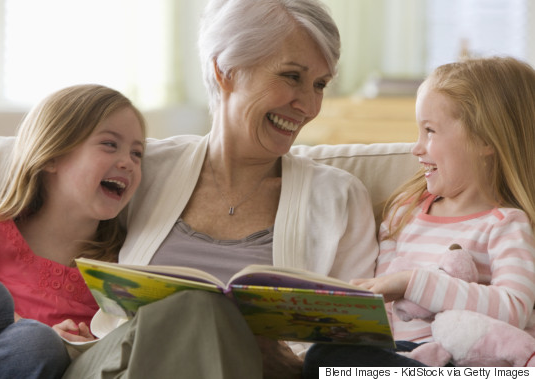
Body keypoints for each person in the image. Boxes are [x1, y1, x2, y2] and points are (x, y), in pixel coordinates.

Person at [64, 0, 379, 378]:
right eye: (292, 76)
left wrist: (291, 363)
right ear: (225, 70)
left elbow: (357, 348)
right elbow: (52, 247)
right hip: (118, 365)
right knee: (200, 308)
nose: (309, 106)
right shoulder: (141, 167)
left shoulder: (339, 197)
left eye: (320, 85)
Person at [302, 56, 535, 373]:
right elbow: (382, 314)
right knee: (324, 357)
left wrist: (413, 283)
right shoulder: (404, 212)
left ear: (485, 140)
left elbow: (514, 308)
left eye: (430, 131)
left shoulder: (506, 224)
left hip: (470, 363)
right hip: (404, 360)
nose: (416, 148)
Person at [0, 84, 145, 378]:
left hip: (21, 362)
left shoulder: (115, 270)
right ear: (51, 156)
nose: (128, 162)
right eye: (110, 144)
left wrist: (76, 345)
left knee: (38, 346)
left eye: (137, 153)